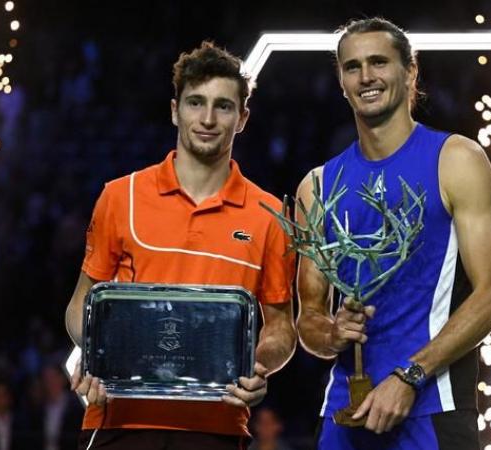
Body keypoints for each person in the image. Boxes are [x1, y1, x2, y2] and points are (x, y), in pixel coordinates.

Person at [64, 42, 297, 450]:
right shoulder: (121, 196)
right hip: (120, 420)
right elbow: (80, 305)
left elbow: (280, 327)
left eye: (223, 106)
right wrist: (97, 354)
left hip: (217, 427)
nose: (207, 119)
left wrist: (257, 367)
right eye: (195, 103)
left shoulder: (269, 215)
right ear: (175, 110)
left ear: (242, 118)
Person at [295, 18, 491, 450]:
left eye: (379, 62)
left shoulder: (456, 160)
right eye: (352, 66)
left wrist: (410, 374)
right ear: (341, 80)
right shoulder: (317, 186)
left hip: (432, 408)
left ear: (410, 71)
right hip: (345, 413)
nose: (366, 76)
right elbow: (309, 318)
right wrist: (332, 334)